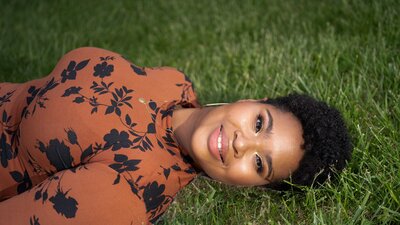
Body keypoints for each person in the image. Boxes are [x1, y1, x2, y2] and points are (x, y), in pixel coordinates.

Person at [0, 47, 352, 224]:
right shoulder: (173, 82)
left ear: (253, 186)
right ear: (254, 100)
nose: (242, 143)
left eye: (260, 164)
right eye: (260, 123)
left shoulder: (123, 197)